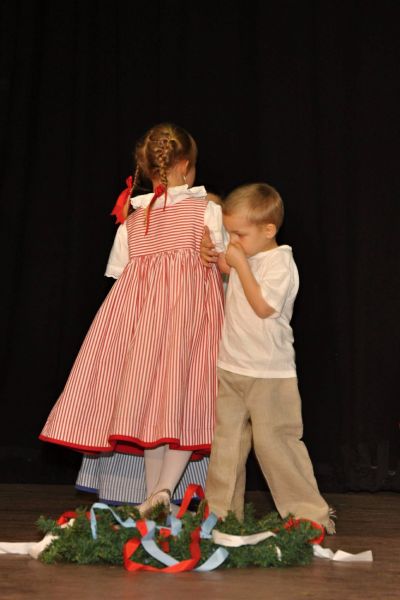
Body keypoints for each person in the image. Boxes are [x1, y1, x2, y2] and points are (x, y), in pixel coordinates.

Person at [40, 123, 225, 516]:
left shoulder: (133, 221)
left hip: (142, 328)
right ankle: (160, 492)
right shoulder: (206, 210)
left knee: (153, 409)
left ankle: (158, 493)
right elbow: (224, 265)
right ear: (185, 165)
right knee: (184, 403)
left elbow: (120, 276)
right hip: (189, 322)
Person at [204, 182, 335, 533]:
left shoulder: (281, 262)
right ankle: (221, 515)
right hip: (231, 366)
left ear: (268, 230)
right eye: (230, 232)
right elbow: (223, 264)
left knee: (277, 444)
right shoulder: (245, 254)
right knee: (226, 445)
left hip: (270, 373)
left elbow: (263, 307)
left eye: (239, 234)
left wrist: (240, 265)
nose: (233, 241)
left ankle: (309, 516)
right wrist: (213, 249)